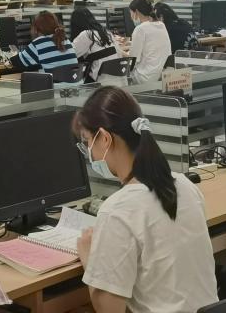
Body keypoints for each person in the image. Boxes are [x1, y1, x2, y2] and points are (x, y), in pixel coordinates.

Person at [74, 86, 218, 313]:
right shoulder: (185, 186)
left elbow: (109, 310)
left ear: (104, 138)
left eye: (87, 142)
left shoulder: (117, 211)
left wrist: (90, 261)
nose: (89, 153)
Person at [10, 11, 80, 79]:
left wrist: (11, 54)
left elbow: (15, 62)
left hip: (53, 85)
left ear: (35, 29)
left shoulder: (39, 43)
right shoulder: (65, 40)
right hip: (74, 84)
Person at [70, 7, 124, 84]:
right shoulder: (106, 32)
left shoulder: (87, 35)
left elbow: (71, 55)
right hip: (118, 80)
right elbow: (119, 54)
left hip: (101, 82)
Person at [126, 0, 171, 84]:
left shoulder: (140, 29)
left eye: (130, 13)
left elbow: (133, 59)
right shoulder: (161, 25)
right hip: (162, 75)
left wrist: (120, 52)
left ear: (136, 12)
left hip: (145, 77)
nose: (131, 17)